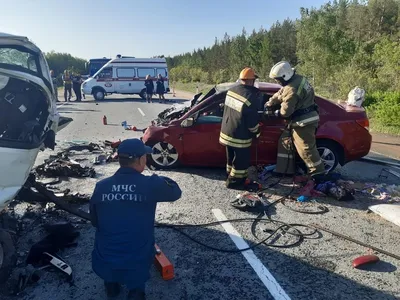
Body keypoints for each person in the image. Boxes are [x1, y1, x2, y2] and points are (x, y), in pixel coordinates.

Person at [89, 138, 182, 299]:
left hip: (105, 258)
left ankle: (111, 285)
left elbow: (94, 221)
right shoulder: (150, 184)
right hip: (137, 259)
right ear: (141, 159)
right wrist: (156, 178)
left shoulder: (102, 186)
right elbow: (175, 192)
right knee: (139, 251)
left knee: (107, 244)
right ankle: (136, 292)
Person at [265, 61, 325, 177]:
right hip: (304, 118)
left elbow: (286, 112)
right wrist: (270, 102)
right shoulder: (298, 79)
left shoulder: (292, 89)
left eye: (278, 79)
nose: (277, 82)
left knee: (306, 150)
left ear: (285, 76)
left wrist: (276, 113)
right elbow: (281, 93)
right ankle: (286, 170)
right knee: (287, 142)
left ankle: (318, 175)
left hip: (304, 122)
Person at [219, 67, 261, 190]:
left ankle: (229, 175)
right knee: (241, 162)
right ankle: (234, 182)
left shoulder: (231, 90)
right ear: (250, 81)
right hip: (240, 136)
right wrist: (257, 132)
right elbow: (252, 123)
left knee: (230, 158)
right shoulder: (251, 97)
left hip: (226, 131)